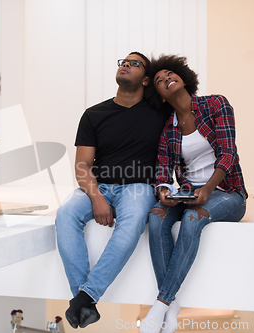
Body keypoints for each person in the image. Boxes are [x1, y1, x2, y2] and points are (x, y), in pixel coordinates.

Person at [55, 52, 169, 329]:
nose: (126, 64)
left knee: (132, 222)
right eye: (123, 62)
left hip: (138, 187)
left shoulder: (161, 113)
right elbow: (82, 165)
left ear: (145, 80)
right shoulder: (94, 114)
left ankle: (85, 297)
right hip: (99, 185)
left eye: (135, 63)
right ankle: (85, 299)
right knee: (65, 214)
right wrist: (96, 198)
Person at [139, 54, 248, 333]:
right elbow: (162, 172)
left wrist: (207, 190)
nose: (166, 79)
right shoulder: (168, 129)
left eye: (169, 74)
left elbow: (228, 153)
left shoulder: (215, 104)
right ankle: (172, 305)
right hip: (187, 192)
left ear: (184, 77)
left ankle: (161, 304)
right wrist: (164, 191)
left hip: (227, 193)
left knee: (192, 218)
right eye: (160, 81)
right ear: (160, 96)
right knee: (155, 217)